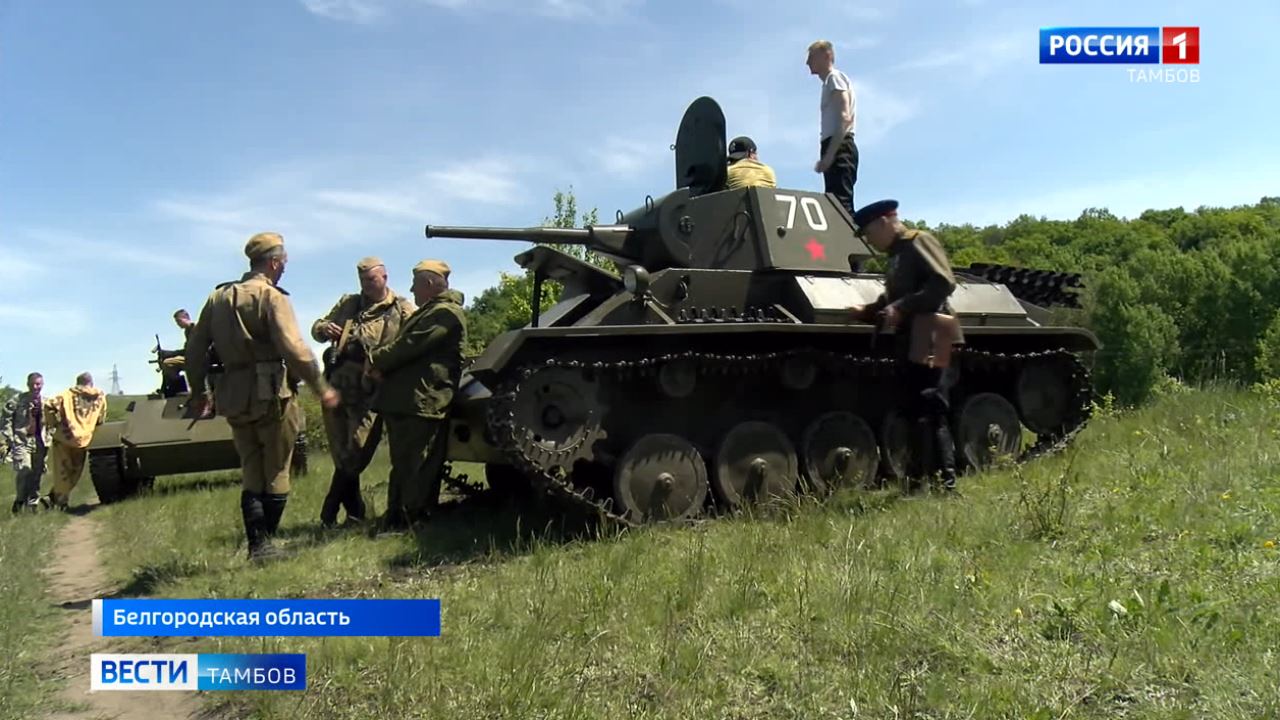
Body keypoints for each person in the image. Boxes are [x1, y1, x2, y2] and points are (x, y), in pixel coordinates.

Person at [184, 231, 340, 560]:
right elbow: (294, 349)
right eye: (282, 263)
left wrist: (198, 390)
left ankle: (257, 545)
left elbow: (195, 349)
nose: (283, 269)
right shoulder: (272, 297)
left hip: (233, 394)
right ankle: (264, 545)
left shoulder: (219, 298)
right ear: (273, 262)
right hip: (272, 393)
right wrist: (322, 388)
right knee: (277, 470)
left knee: (251, 468)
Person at [848, 199, 963, 491]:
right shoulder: (897, 254)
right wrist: (870, 311)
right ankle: (917, 480)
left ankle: (944, 484)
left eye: (869, 232)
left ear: (885, 221)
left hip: (933, 330)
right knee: (912, 409)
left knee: (931, 406)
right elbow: (896, 297)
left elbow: (942, 283)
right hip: (914, 334)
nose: (869, 240)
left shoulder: (918, 242)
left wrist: (901, 307)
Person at [310, 256, 415, 528]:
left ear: (384, 277)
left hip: (370, 393)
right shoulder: (349, 304)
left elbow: (412, 345)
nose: (367, 286)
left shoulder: (401, 309)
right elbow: (317, 329)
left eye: (371, 279)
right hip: (337, 388)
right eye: (363, 281)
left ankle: (328, 512)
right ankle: (354, 513)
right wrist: (324, 328)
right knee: (340, 454)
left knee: (356, 451)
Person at [366, 259, 467, 531]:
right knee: (405, 464)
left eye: (415, 284)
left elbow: (409, 346)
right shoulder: (431, 312)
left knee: (416, 465)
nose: (411, 289)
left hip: (424, 400)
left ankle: (414, 518)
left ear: (430, 284)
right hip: (412, 400)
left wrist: (375, 360)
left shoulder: (445, 313)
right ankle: (398, 518)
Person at [806, 39, 858, 213]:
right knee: (835, 205)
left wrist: (830, 156)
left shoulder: (834, 78)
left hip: (840, 146)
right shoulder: (829, 82)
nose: (807, 62)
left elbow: (845, 117)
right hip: (835, 145)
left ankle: (848, 240)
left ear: (825, 55)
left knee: (841, 207)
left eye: (811, 57)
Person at [42, 372, 108, 510]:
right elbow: (101, 417)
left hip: (64, 436)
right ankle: (58, 500)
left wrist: (53, 423)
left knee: (62, 471)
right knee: (75, 472)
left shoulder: (66, 395)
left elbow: (48, 405)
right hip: (84, 438)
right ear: (91, 382)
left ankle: (57, 499)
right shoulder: (100, 396)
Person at [2, 372, 52, 513]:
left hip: (40, 441)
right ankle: (19, 500)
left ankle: (33, 504)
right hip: (22, 440)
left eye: (39, 384)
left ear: (42, 385)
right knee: (25, 469)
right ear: (28, 384)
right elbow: (6, 420)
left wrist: (50, 435)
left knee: (37, 473)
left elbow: (53, 422)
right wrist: (10, 438)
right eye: (33, 384)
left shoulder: (47, 402)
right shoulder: (17, 401)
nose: (36, 387)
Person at [156, 308, 195, 394]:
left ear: (186, 317)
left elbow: (191, 350)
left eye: (179, 321)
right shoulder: (188, 331)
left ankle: (180, 388)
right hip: (191, 357)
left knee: (168, 363)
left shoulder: (195, 328)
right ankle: (175, 388)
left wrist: (170, 353)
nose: (178, 324)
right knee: (167, 362)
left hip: (198, 358)